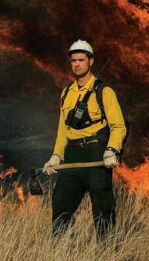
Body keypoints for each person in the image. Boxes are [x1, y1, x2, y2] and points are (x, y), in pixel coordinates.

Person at [42, 39, 127, 237]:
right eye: (74, 60)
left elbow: (118, 126)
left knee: (103, 207)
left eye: (81, 60)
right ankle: (60, 249)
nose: (77, 64)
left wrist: (111, 150)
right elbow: (63, 130)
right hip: (73, 156)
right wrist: (56, 156)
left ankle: (107, 249)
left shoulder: (104, 92)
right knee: (61, 203)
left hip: (97, 154)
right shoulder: (66, 93)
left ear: (91, 61)